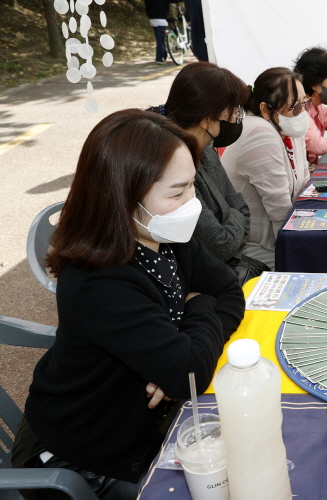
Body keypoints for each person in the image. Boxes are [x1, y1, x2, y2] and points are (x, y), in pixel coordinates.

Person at [12, 109, 245, 500]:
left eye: (192, 185)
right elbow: (189, 372)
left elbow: (229, 292)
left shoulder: (166, 236)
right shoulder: (98, 281)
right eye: (177, 192)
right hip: (86, 457)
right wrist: (200, 309)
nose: (192, 203)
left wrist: (188, 333)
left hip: (142, 425)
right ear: (123, 197)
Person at [151, 61, 268, 283]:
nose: (235, 119)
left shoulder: (206, 148)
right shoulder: (173, 164)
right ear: (206, 120)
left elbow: (241, 208)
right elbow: (220, 245)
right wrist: (232, 218)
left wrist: (231, 220)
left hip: (220, 268)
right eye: (232, 112)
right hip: (196, 280)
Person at [221, 68, 311, 270]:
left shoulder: (288, 127)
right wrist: (302, 252)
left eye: (305, 103)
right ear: (265, 109)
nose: (302, 112)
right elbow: (279, 211)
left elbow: (304, 184)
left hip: (279, 236)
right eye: (294, 106)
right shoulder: (259, 132)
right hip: (254, 249)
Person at [293, 47, 327, 168]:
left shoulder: (316, 106)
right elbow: (318, 146)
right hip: (303, 170)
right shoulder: (300, 109)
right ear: (314, 84)